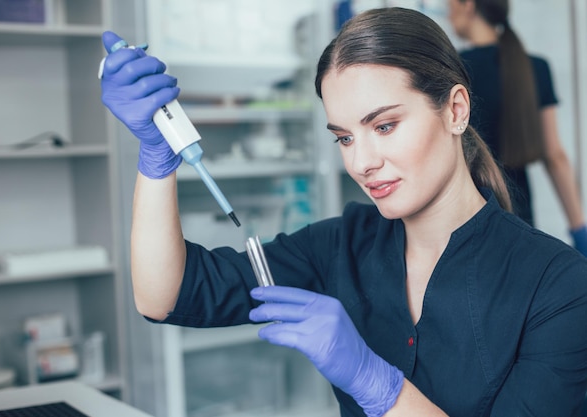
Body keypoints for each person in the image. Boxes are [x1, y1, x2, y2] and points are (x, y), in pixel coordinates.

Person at [100, 7, 587, 417]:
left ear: (456, 110)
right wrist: (157, 156)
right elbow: (164, 296)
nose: (361, 162)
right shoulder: (338, 247)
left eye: (386, 126)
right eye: (344, 137)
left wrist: (377, 383)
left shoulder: (558, 286)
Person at [447, 0, 587, 257]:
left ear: (467, 5)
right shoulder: (535, 67)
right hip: (521, 220)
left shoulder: (453, 70)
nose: (448, 12)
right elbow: (554, 156)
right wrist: (580, 231)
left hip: (465, 221)